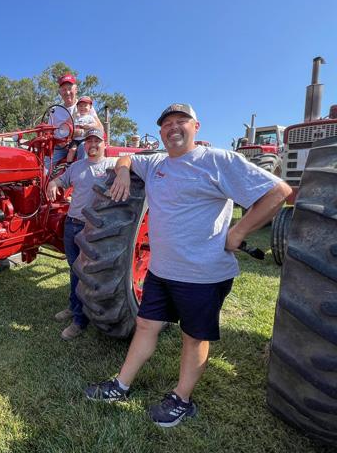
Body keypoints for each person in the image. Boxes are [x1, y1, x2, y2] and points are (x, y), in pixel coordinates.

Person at [84, 103, 292, 427]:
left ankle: (181, 399)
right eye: (167, 124)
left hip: (202, 275)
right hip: (161, 270)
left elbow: (278, 192)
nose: (173, 128)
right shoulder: (155, 163)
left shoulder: (217, 161)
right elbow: (125, 157)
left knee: (192, 337)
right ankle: (120, 385)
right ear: (161, 132)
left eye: (182, 121)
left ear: (197, 126)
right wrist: (124, 170)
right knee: (145, 326)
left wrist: (237, 232)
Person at [46, 128, 116, 340]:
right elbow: (61, 181)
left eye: (97, 141)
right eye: (89, 141)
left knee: (85, 273)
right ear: (84, 145)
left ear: (104, 144)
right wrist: (53, 183)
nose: (92, 145)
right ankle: (73, 306)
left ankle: (79, 320)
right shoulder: (76, 167)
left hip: (93, 228)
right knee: (73, 268)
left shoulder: (111, 166)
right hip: (72, 223)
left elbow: (129, 166)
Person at [46, 73, 103, 171]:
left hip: (79, 142)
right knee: (46, 163)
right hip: (60, 146)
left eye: (70, 88)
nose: (67, 92)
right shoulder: (55, 110)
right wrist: (59, 141)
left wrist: (82, 131)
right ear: (60, 92)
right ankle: (43, 183)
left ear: (76, 90)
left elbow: (100, 128)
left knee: (83, 147)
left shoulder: (85, 106)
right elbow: (48, 131)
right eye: (64, 89)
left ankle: (82, 178)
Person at [67, 96, 100, 163]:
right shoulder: (75, 118)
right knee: (72, 150)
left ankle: (81, 164)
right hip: (75, 139)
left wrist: (88, 126)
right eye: (80, 106)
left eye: (85, 106)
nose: (82, 108)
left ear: (90, 107)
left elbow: (96, 125)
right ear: (77, 107)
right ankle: (68, 164)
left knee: (83, 147)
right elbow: (69, 126)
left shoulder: (90, 118)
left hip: (84, 139)